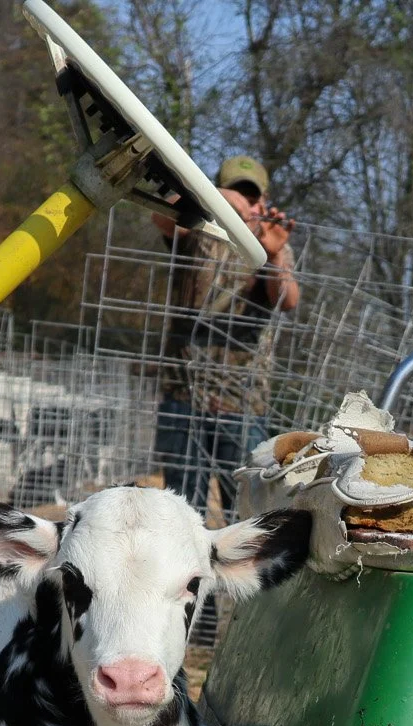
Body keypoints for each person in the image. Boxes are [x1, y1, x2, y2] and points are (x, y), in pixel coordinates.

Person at [152, 154, 301, 519]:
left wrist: (273, 254)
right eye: (235, 193)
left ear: (263, 201)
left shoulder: (274, 242)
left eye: (250, 197)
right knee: (181, 512)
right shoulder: (198, 226)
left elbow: (287, 300)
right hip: (183, 392)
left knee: (248, 514)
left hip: (243, 402)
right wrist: (213, 199)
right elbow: (161, 213)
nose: (243, 203)